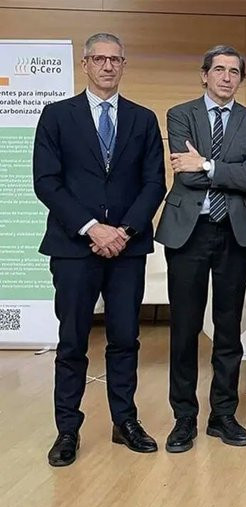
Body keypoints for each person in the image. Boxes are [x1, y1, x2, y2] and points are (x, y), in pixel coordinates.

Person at [34, 32, 166, 466]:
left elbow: (154, 183)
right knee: (72, 341)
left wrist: (123, 231)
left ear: (124, 65)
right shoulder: (57, 116)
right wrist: (93, 229)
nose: (108, 66)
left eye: (115, 59)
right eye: (99, 59)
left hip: (128, 248)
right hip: (74, 247)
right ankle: (67, 430)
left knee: (125, 338)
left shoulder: (143, 119)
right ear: (85, 64)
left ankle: (124, 422)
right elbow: (46, 182)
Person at [154, 45, 246, 453]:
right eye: (219, 70)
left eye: (234, 72)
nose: (226, 77)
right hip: (188, 233)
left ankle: (223, 414)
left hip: (234, 233)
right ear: (204, 75)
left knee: (228, 328)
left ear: (241, 79)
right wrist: (222, 172)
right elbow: (183, 175)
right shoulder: (181, 114)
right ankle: (184, 418)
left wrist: (206, 164)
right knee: (185, 329)